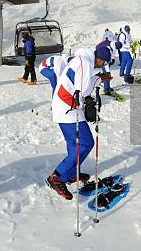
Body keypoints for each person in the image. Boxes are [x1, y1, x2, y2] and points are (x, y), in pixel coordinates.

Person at [45, 44, 111, 200]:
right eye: (104, 63)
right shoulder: (85, 62)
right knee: (86, 142)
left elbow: (79, 84)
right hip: (67, 108)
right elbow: (82, 89)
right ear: (100, 59)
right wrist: (99, 79)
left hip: (65, 105)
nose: (102, 66)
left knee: (74, 144)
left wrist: (97, 79)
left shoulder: (83, 59)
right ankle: (57, 177)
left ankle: (70, 173)